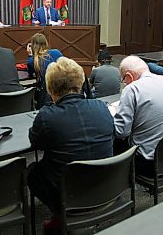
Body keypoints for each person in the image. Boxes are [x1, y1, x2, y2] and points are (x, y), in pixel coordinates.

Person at [27, 57, 114, 229]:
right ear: (80, 83)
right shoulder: (102, 107)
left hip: (67, 192)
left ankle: (59, 216)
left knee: (32, 172)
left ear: (51, 89)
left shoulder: (47, 117)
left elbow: (34, 142)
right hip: (106, 186)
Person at [113, 55, 163, 177]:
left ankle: (117, 183)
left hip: (149, 164)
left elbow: (121, 132)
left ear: (129, 76)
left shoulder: (132, 89)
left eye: (123, 80)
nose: (124, 83)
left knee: (114, 140)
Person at [27, 33, 63, 109]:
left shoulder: (32, 60)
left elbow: (30, 73)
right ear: (46, 43)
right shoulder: (57, 52)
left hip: (45, 97)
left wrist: (30, 54)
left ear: (32, 46)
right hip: (61, 90)